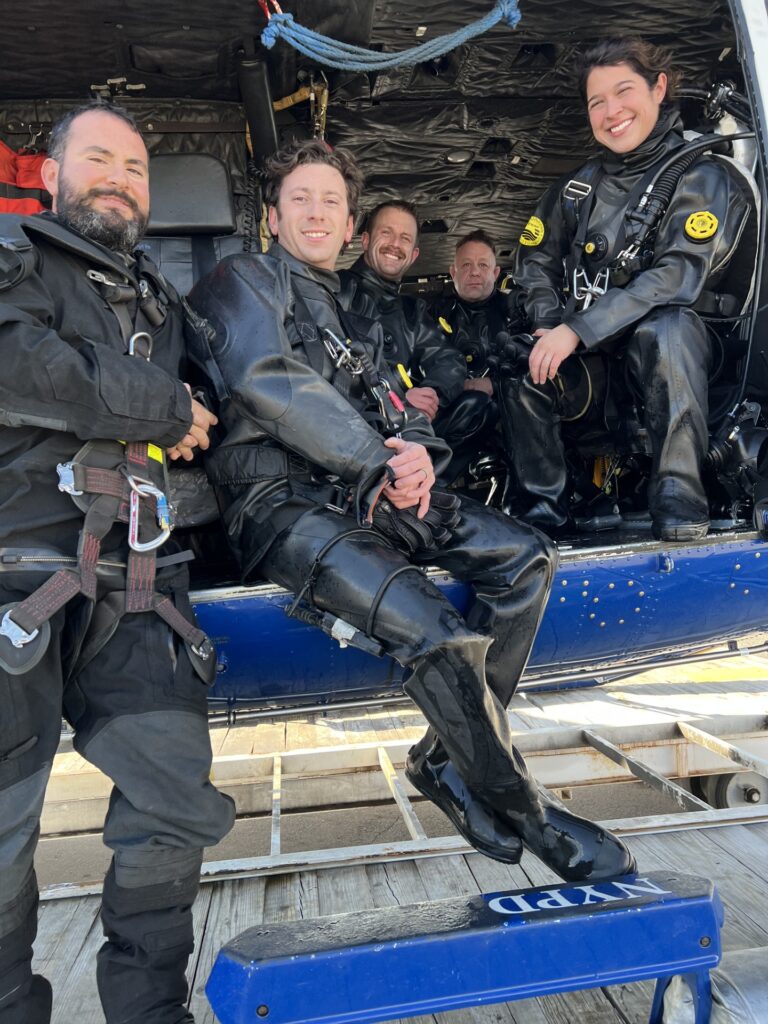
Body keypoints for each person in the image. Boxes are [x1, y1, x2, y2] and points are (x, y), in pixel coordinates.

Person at [189, 138, 635, 885]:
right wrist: (380, 461)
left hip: (376, 491)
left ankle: (445, 757)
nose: (317, 212)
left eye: (332, 200)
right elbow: (271, 384)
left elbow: (403, 400)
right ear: (271, 216)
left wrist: (422, 455)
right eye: (301, 198)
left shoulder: (354, 312)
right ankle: (521, 806)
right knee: (437, 632)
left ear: (350, 222)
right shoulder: (240, 281)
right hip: (284, 508)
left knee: (526, 559)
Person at [0, 103, 235, 1024]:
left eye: (136, 168)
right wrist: (162, 407)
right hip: (19, 577)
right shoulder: (16, 259)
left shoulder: (166, 305)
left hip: (141, 587)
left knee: (177, 803)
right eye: (98, 158)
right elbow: (17, 365)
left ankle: (148, 1011)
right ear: (51, 174)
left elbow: (206, 416)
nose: (120, 179)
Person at [502, 37, 756, 537]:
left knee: (666, 328)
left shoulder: (702, 175)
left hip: (676, 358)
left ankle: (680, 494)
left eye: (624, 92)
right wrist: (548, 325)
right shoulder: (575, 190)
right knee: (520, 364)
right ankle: (544, 518)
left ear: (659, 88)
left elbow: (675, 277)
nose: (612, 111)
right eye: (597, 102)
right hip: (597, 364)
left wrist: (576, 330)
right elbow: (534, 261)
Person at [338, 200, 465, 426]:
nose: (395, 244)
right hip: (348, 425)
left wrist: (430, 393)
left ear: (414, 254)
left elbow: (449, 359)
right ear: (365, 240)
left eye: (405, 238)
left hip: (405, 428)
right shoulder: (337, 290)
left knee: (475, 406)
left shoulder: (412, 311)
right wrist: (398, 397)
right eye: (386, 233)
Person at [431, 230, 527, 479]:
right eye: (466, 265)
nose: (474, 272)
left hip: (514, 415)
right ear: (453, 272)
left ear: (495, 273)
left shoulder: (518, 312)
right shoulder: (432, 317)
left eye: (483, 265)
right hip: (455, 415)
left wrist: (494, 384)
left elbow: (539, 364)